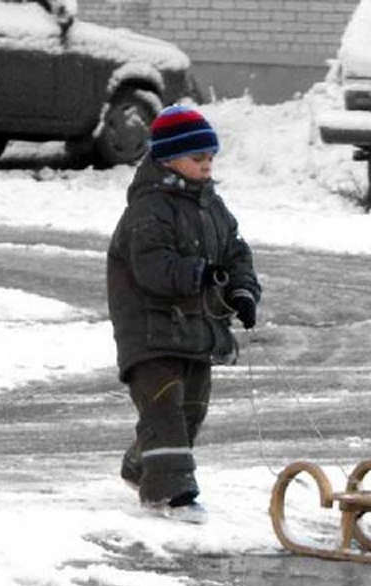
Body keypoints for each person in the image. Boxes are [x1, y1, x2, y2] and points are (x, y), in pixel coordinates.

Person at [106, 105, 261, 520]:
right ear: (168, 159)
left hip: (196, 330)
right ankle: (172, 493)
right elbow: (151, 268)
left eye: (210, 156)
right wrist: (200, 274)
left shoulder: (213, 208)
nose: (207, 164)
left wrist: (242, 291)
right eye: (198, 157)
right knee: (163, 408)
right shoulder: (148, 211)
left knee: (192, 410)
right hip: (150, 333)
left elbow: (236, 253)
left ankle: (144, 463)